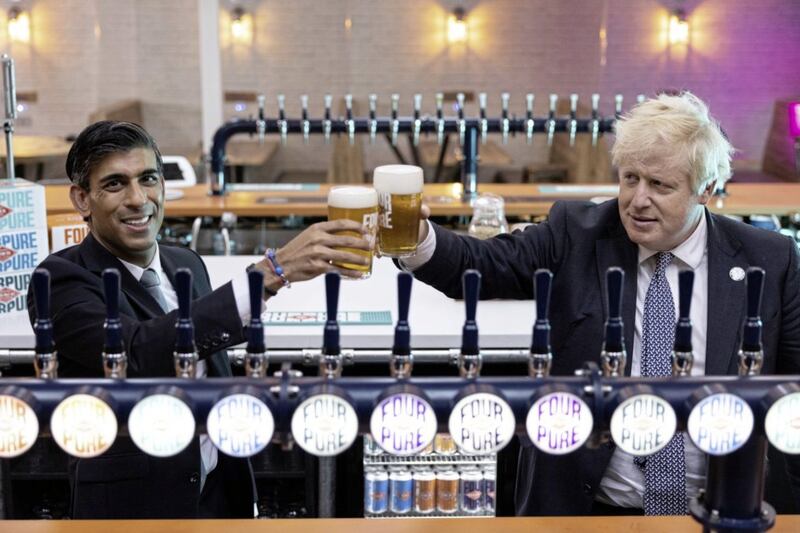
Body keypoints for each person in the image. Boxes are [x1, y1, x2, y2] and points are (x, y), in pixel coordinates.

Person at [400, 92, 800, 515]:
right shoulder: (576, 232)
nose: (637, 200)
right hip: (590, 507)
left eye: (660, 185)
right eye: (630, 179)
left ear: (707, 189)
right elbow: (483, 264)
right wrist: (418, 237)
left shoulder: (770, 260)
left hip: (724, 509)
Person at [27, 120, 372, 519]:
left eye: (148, 179)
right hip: (133, 510)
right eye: (115, 184)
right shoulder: (59, 278)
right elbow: (137, 352)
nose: (138, 199)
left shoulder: (185, 262)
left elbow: (207, 353)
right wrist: (270, 274)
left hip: (219, 496)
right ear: (82, 200)